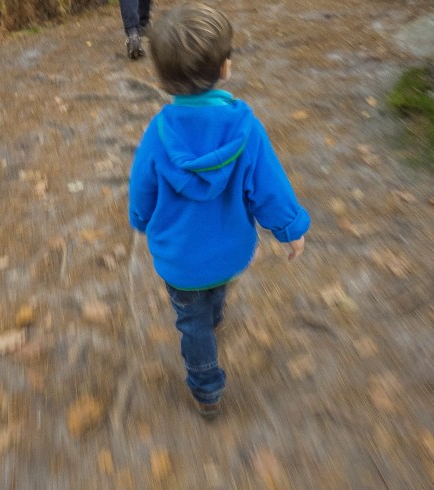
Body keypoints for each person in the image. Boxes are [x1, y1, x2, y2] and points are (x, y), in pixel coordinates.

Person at [128, 3, 310, 418]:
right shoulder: (246, 129)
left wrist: (140, 219)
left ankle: (207, 390)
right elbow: (270, 189)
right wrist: (290, 229)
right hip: (229, 251)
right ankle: (217, 313)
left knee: (190, 324)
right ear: (225, 69)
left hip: (179, 259)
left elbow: (142, 188)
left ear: (160, 78)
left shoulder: (158, 134)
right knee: (215, 288)